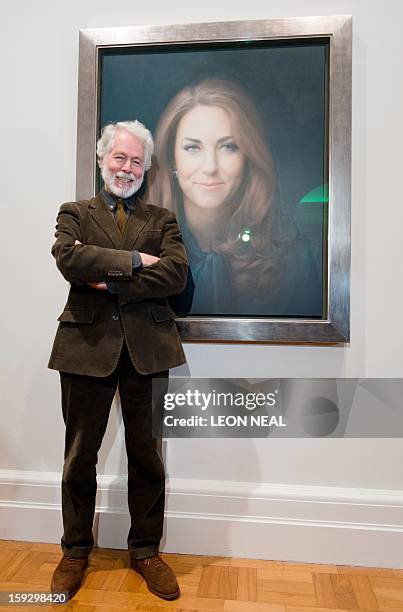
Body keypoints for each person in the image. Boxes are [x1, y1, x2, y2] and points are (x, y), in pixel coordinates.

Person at [48, 120, 188, 601]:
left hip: (149, 351)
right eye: (118, 158)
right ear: (102, 159)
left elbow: (177, 276)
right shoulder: (75, 213)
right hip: (85, 349)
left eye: (135, 161)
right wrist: (137, 262)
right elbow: (69, 259)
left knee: (147, 458)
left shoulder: (163, 219)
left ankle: (146, 550)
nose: (126, 168)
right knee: (78, 457)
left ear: (145, 168)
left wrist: (105, 270)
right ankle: (74, 551)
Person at [147, 78, 322, 317]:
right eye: (192, 148)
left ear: (248, 158)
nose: (210, 167)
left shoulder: (298, 261)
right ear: (172, 160)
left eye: (228, 147)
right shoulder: (141, 246)